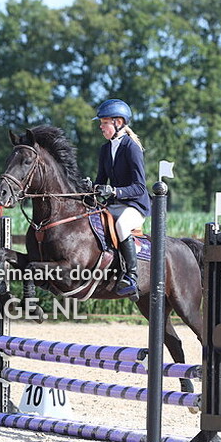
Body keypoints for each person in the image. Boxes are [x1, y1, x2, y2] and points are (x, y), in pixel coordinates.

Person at [92, 98, 151, 301]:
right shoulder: (105, 149)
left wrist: (114, 191)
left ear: (118, 122)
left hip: (135, 206)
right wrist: (90, 189)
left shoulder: (131, 147)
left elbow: (140, 186)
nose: (101, 127)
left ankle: (131, 276)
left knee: (121, 226)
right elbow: (101, 180)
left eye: (104, 122)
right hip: (114, 205)